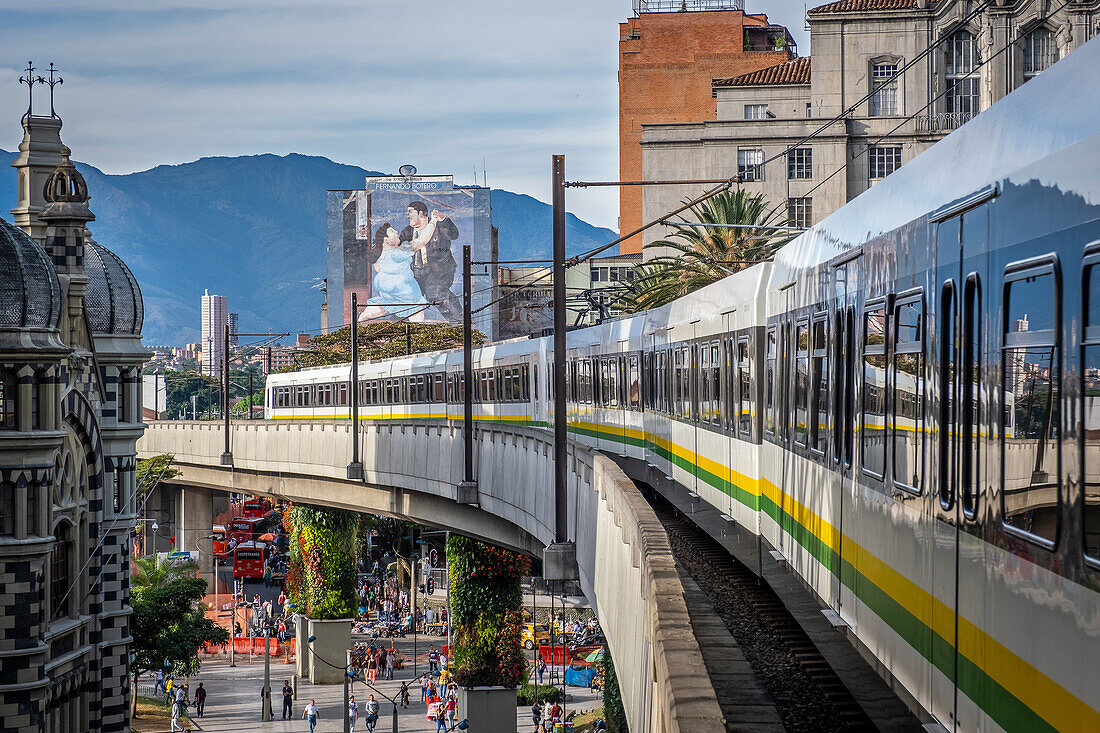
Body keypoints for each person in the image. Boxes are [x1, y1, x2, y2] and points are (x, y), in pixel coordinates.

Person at [400, 202, 462, 320]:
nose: (408, 216)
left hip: (439, 269)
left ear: (421, 214)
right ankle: (395, 326)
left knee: (435, 292)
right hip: (416, 271)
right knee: (406, 295)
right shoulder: (407, 231)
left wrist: (444, 219)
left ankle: (460, 321)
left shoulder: (439, 227)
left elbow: (454, 234)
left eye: (410, 212)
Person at [359, 223, 427, 322]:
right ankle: (419, 333)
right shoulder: (397, 253)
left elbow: (378, 268)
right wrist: (433, 222)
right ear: (386, 240)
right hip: (405, 291)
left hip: (386, 288)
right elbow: (421, 241)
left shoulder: (381, 254)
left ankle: (361, 317)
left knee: (385, 304)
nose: (396, 232)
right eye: (391, 231)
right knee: (416, 308)